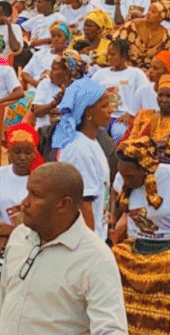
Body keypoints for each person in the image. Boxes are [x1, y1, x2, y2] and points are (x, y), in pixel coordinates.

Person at [0, 162, 128, 335]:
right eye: (27, 192)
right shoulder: (19, 237)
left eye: (35, 195)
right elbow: (3, 303)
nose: (24, 202)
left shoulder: (96, 258)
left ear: (63, 204)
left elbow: (111, 329)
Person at [110, 137, 170, 335]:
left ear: (145, 169)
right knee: (112, 262)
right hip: (136, 242)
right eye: (123, 176)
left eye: (130, 176)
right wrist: (113, 216)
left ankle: (163, 329)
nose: (125, 181)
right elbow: (115, 194)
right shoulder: (123, 177)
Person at [0, 123, 43, 328]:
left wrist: (13, 232)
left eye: (27, 152)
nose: (22, 157)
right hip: (7, 248)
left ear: (34, 153)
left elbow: (48, 222)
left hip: (38, 246)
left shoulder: (42, 178)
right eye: (16, 152)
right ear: (8, 153)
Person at [52, 77, 113, 240]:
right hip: (84, 239)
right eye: (104, 106)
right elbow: (84, 203)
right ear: (89, 112)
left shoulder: (90, 141)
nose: (110, 110)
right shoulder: (79, 149)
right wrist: (91, 247)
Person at [112, 0, 170, 70]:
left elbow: (167, 59)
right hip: (126, 68)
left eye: (153, 12)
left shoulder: (167, 36)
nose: (148, 13)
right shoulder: (133, 25)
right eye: (149, 10)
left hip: (150, 73)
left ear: (161, 17)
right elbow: (115, 43)